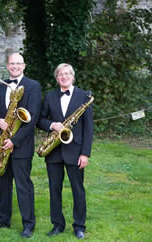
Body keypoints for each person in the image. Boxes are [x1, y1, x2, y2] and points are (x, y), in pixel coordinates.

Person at [0, 53, 41, 238]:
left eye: (18, 63)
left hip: (21, 144)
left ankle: (28, 224)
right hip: (2, 142)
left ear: (23, 66)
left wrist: (14, 141)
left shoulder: (33, 86)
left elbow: (33, 119)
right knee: (2, 183)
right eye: (11, 63)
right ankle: (2, 219)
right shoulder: (1, 86)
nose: (15, 66)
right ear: (7, 66)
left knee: (23, 185)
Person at [37, 63, 93, 239]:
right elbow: (40, 120)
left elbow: (89, 129)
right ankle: (57, 225)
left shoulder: (84, 96)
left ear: (73, 76)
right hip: (54, 151)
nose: (64, 76)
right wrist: (52, 125)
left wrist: (85, 153)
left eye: (67, 74)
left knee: (78, 189)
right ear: (56, 78)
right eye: (60, 74)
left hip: (75, 151)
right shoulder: (50, 96)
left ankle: (79, 226)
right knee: (54, 190)